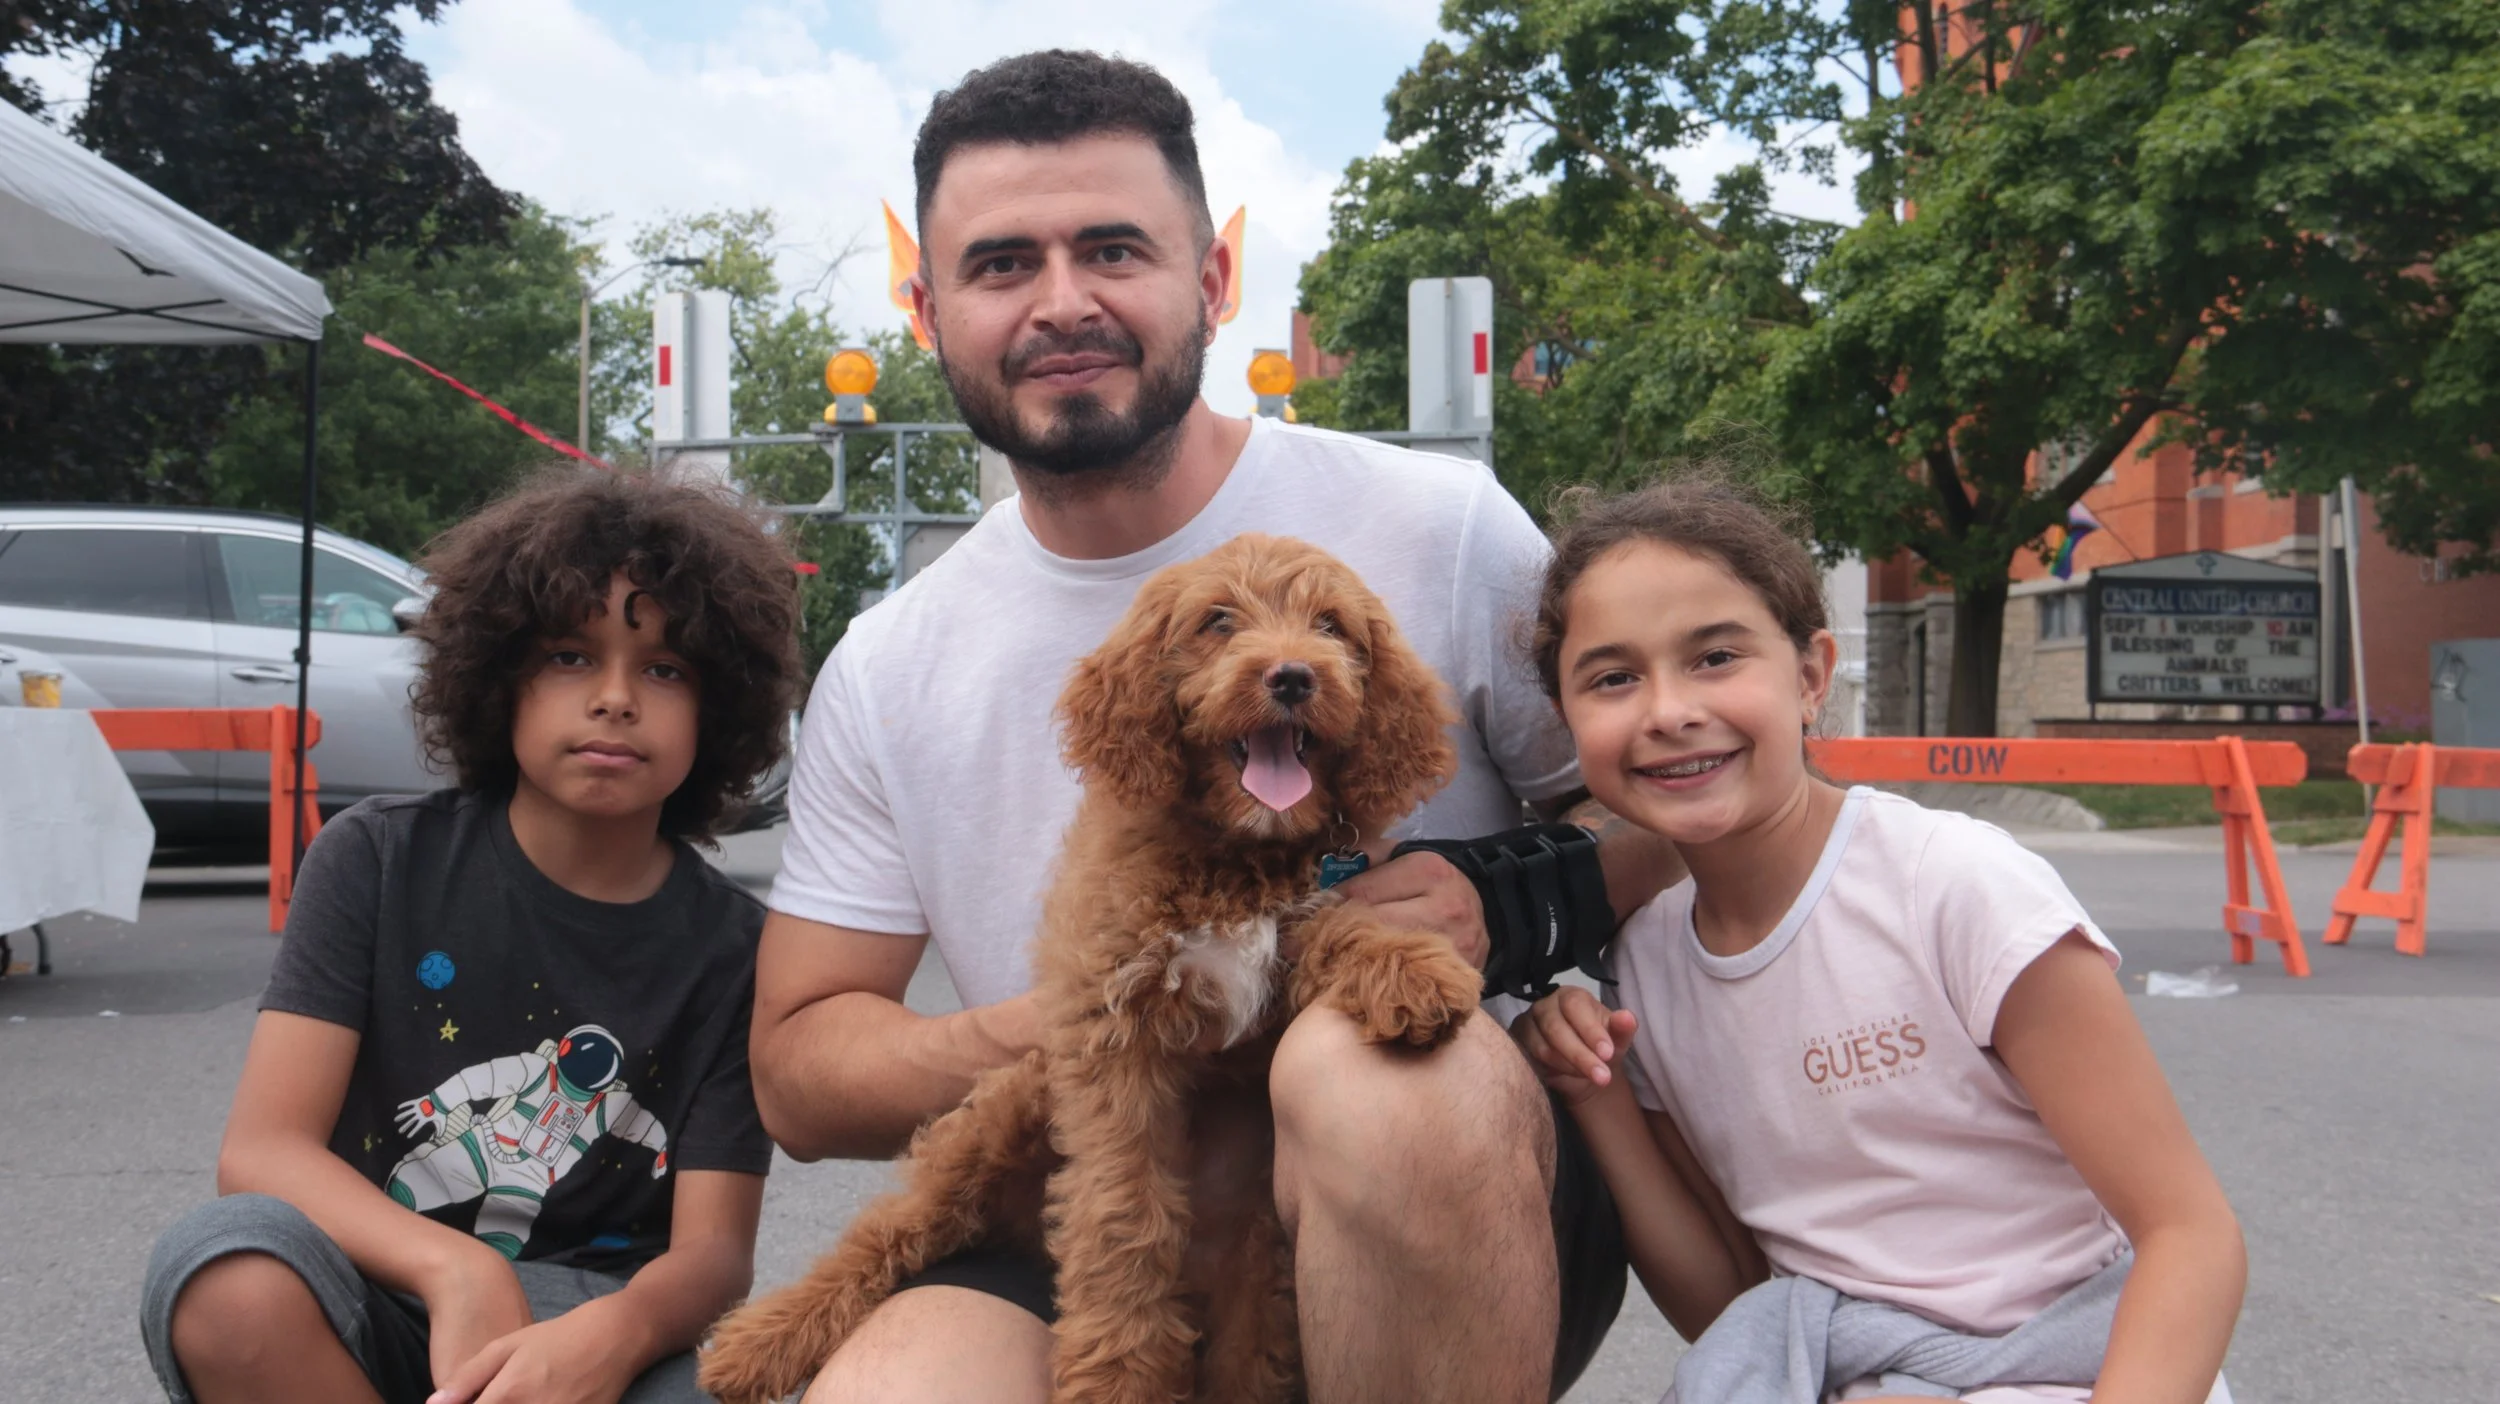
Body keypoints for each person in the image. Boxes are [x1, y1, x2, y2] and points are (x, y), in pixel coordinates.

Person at [754, 48, 1683, 1404]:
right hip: (1102, 1186)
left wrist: (1509, 901)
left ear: (1214, 276)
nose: (1063, 302)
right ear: (926, 306)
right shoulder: (891, 662)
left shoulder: (1442, 529)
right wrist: (1105, 1013)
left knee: (1378, 1078)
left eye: (1115, 249)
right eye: (1002, 263)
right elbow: (799, 1070)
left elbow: (1673, 807)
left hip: (1436, 1180)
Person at [1515, 476, 2246, 1403]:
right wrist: (1596, 1093)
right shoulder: (1648, 970)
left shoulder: (1956, 889)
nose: (1666, 710)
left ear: (1812, 676)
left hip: (2078, 1363)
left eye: (1715, 657)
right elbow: (1738, 1307)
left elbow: (2191, 1233)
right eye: (1614, 678)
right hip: (1847, 1372)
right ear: (1568, 720)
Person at [138, 468, 805, 1404]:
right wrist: (459, 1271)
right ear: (498, 676)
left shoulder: (740, 950)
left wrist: (609, 1339)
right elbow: (263, 1151)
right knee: (224, 1277)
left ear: (721, 707)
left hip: (602, 1330)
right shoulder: (375, 858)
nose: (615, 697)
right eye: (572, 656)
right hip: (371, 1288)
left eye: (665, 668)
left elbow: (713, 1255)